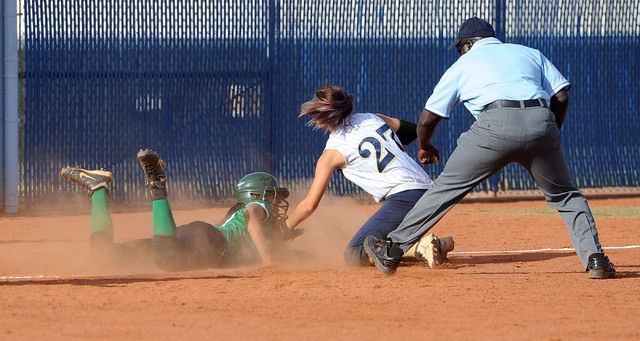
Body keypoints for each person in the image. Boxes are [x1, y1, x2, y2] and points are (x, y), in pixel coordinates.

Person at [364, 17, 616, 279]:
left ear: (469, 43)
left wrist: (425, 147)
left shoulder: (463, 65)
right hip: (541, 121)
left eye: (461, 46)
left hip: (493, 127)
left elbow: (427, 120)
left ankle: (392, 250)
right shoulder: (530, 53)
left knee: (445, 190)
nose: (460, 51)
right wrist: (549, 132)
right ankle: (596, 260)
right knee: (565, 195)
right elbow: (561, 96)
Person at [287, 83, 455, 268]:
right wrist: (397, 148)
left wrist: (287, 226)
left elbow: (309, 205)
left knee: (353, 254)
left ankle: (418, 247)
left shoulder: (332, 152)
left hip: (405, 197)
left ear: (319, 115)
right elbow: (412, 131)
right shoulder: (372, 118)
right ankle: (433, 246)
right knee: (379, 242)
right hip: (430, 192)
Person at [60, 149, 293, 271]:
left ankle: (98, 188)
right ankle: (157, 184)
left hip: (197, 236)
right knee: (168, 259)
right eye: (273, 196)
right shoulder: (257, 207)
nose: (276, 204)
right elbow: (252, 215)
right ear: (255, 195)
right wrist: (268, 261)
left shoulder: (262, 231)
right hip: (212, 242)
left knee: (103, 255)